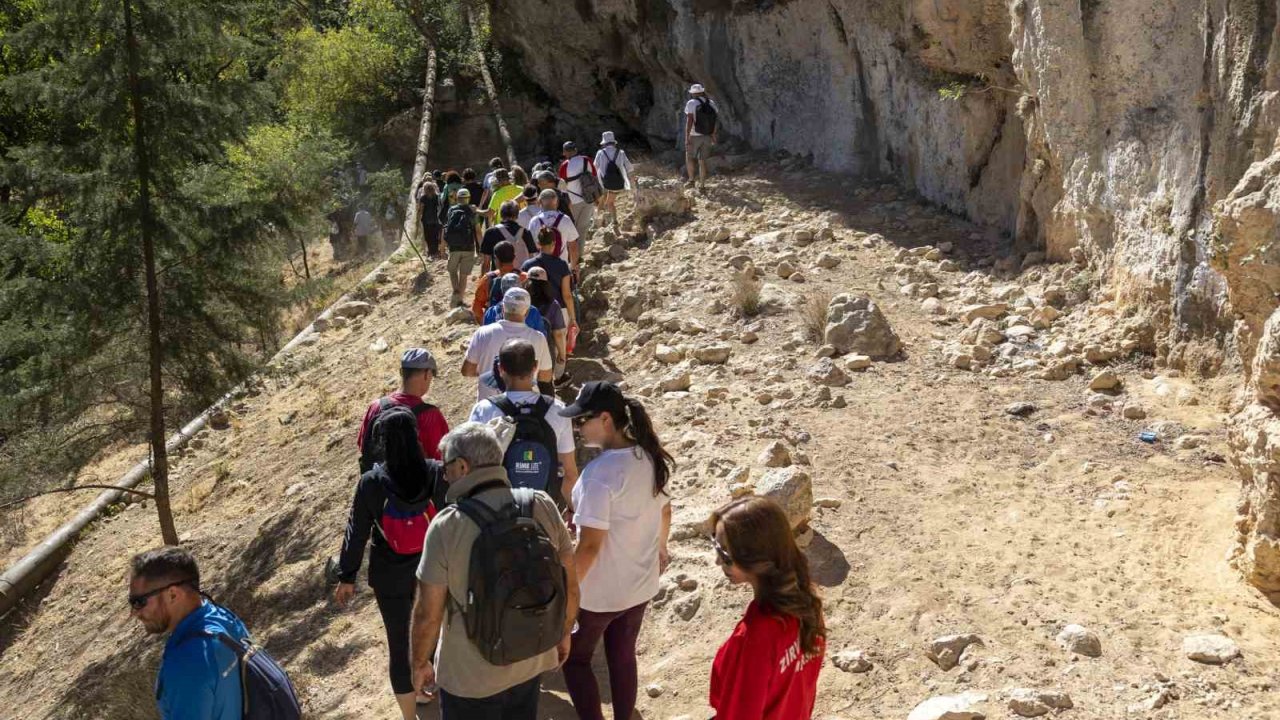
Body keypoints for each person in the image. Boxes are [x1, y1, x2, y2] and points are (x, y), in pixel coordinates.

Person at [409, 422, 580, 719]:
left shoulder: (447, 526)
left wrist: (419, 662)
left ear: (462, 467)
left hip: (471, 678)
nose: (444, 476)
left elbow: (428, 613)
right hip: (531, 655)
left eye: (446, 467)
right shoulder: (540, 503)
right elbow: (569, 582)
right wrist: (563, 631)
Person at [557, 382, 673, 720]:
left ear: (605, 418)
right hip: (639, 584)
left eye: (581, 421)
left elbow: (590, 546)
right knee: (622, 656)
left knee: (576, 660)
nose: (576, 429)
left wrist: (567, 594)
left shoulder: (598, 475)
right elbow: (665, 509)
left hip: (599, 593)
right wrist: (661, 549)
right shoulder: (648, 457)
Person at [336, 410, 446, 718]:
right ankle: (430, 688)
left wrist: (347, 575)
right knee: (434, 631)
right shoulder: (436, 472)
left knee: (400, 646)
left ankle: (410, 715)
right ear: (416, 437)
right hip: (434, 569)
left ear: (382, 443)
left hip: (390, 575)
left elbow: (356, 531)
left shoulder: (371, 482)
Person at [130, 546, 301, 719]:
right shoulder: (220, 616)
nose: (134, 612)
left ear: (173, 594)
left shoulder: (188, 660)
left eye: (139, 602)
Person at [707, 496, 826, 720]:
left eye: (724, 555)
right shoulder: (806, 600)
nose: (717, 562)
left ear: (758, 561)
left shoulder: (755, 638)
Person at [468, 339, 579, 509]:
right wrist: (572, 510)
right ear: (535, 366)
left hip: (498, 511)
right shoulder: (557, 410)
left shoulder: (484, 410)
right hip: (543, 508)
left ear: (500, 369)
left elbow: (472, 470)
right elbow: (569, 473)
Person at [357, 348, 449, 466]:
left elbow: (363, 446)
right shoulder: (430, 415)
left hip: (381, 482)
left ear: (401, 372)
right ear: (427, 374)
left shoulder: (376, 407)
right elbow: (442, 460)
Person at [462, 288, 553, 399]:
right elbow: (545, 376)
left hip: (490, 405)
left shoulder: (483, 333)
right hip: (526, 406)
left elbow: (467, 370)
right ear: (528, 311)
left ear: (503, 307)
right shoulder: (538, 338)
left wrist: (488, 371)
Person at [521, 227, 577, 340]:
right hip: (559, 309)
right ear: (554, 243)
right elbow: (567, 294)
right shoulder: (562, 265)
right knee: (559, 344)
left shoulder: (527, 265)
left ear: (538, 243)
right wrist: (573, 318)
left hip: (533, 309)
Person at [526, 266, 567, 378]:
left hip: (523, 350)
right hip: (546, 351)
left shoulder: (522, 302)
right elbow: (558, 333)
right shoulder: (552, 304)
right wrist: (562, 354)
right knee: (545, 385)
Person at [444, 188, 482, 306]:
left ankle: (456, 289)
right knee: (464, 275)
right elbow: (478, 232)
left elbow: (446, 227)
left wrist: (443, 245)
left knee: (452, 270)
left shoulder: (451, 210)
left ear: (457, 198)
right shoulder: (472, 211)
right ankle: (460, 299)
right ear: (468, 198)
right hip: (469, 247)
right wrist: (480, 248)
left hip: (454, 246)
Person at [472, 242, 527, 322]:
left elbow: (476, 309)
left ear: (496, 259)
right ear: (514, 257)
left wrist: (485, 324)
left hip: (495, 325)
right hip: (520, 325)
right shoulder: (525, 278)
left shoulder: (488, 279)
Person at [557, 141, 598, 249]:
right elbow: (594, 176)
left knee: (571, 228)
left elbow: (562, 187)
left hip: (573, 202)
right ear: (576, 150)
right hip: (589, 198)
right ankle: (579, 254)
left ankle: (571, 255)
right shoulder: (587, 160)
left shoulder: (564, 166)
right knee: (583, 228)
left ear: (564, 152)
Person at [480, 200, 536, 274]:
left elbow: (486, 263)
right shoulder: (526, 232)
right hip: (521, 278)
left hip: (499, 278)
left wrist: (483, 279)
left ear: (501, 214)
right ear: (517, 215)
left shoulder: (491, 232)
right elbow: (531, 258)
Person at [527, 188, 579, 269]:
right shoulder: (565, 219)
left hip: (541, 268)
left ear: (539, 202)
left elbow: (530, 248)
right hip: (561, 267)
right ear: (557, 202)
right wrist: (572, 267)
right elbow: (573, 247)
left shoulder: (534, 221)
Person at [594, 131, 634, 230]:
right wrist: (631, 179)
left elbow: (595, 167)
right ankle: (612, 220)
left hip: (604, 182)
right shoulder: (621, 153)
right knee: (609, 202)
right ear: (613, 142)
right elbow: (629, 167)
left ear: (604, 143)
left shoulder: (600, 153)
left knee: (602, 200)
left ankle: (600, 220)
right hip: (617, 183)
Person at [481, 272, 546, 333]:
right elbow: (542, 334)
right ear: (521, 288)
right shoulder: (532, 311)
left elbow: (484, 335)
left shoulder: (492, 312)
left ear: (502, 290)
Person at [684, 83, 719, 190]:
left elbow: (689, 120)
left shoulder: (691, 103)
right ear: (702, 92)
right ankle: (702, 185)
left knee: (689, 157)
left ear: (693, 93)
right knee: (702, 161)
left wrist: (687, 136)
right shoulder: (711, 103)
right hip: (707, 136)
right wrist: (713, 135)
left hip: (694, 135)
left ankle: (691, 180)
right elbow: (714, 121)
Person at [417, 179, 443, 258]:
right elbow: (440, 207)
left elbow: (421, 209)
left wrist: (418, 218)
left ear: (424, 189)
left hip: (426, 219)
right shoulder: (437, 196)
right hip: (435, 219)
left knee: (428, 236)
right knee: (435, 235)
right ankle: (435, 251)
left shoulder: (423, 198)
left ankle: (431, 252)